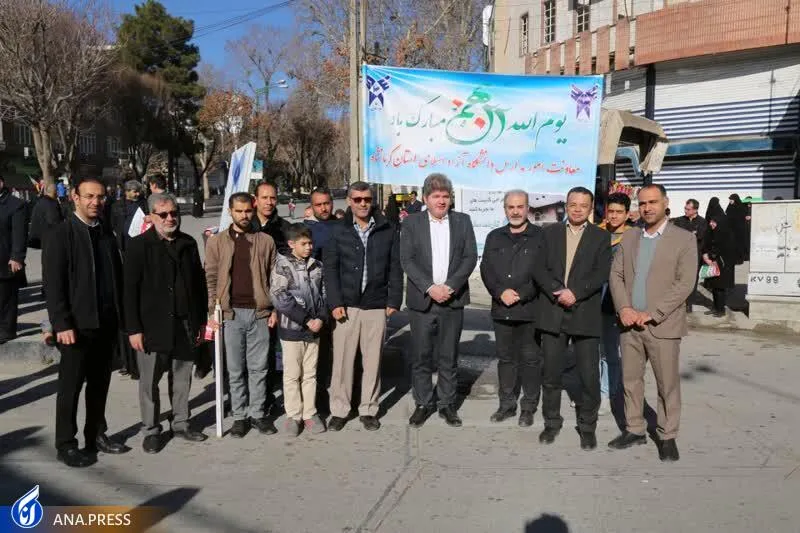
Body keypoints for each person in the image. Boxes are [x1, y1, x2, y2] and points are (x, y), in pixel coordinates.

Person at [608, 184, 696, 462]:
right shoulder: (631, 236)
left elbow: (685, 283)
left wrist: (653, 313)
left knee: (666, 384)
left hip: (662, 325)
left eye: (653, 202)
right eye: (643, 203)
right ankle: (635, 429)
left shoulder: (683, 239)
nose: (647, 208)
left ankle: (667, 435)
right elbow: (616, 275)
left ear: (665, 203)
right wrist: (624, 308)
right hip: (629, 323)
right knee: (631, 380)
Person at [43, 177, 128, 467]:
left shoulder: (106, 234)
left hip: (105, 323)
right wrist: (61, 323)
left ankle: (96, 435)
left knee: (100, 384)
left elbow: (116, 278)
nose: (95, 202)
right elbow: (53, 284)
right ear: (75, 197)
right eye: (89, 196)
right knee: (71, 387)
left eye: (100, 197)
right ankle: (66, 443)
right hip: (75, 326)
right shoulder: (61, 234)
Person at [124, 193, 209, 453]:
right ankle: (151, 429)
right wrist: (134, 329)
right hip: (152, 327)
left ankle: (181, 423)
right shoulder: (138, 246)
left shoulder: (188, 243)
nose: (170, 218)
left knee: (182, 378)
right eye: (163, 214)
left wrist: (201, 322)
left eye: (174, 213)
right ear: (151, 217)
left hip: (185, 324)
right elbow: (129, 291)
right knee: (149, 382)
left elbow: (198, 286)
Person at [534, 186, 611, 450]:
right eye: (573, 204)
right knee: (551, 375)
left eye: (583, 205)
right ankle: (551, 423)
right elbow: (539, 269)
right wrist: (558, 291)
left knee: (589, 376)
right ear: (566, 206)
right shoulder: (549, 233)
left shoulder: (601, 237)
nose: (577, 210)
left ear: (591, 208)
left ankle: (587, 427)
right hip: (553, 310)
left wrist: (575, 292)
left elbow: (602, 272)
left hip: (584, 313)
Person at [400, 173, 478, 428]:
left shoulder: (463, 221)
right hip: (423, 301)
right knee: (421, 356)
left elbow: (469, 257)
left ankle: (447, 404)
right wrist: (430, 287)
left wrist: (451, 286)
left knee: (448, 356)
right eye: (436, 196)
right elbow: (407, 260)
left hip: (452, 300)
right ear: (425, 198)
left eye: (445, 196)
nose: (441, 201)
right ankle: (423, 403)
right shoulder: (411, 223)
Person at [324, 182, 403, 431]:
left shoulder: (387, 229)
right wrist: (335, 302)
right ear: (349, 201)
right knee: (343, 361)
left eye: (366, 199)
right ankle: (340, 410)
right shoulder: (338, 230)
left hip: (376, 304)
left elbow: (395, 267)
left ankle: (368, 409)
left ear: (372, 200)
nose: (362, 204)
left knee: (373, 361)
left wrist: (393, 300)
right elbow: (330, 269)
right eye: (357, 199)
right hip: (346, 307)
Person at [205, 192, 279, 438]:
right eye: (239, 211)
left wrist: (274, 309)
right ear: (230, 211)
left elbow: (274, 277)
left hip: (259, 312)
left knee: (259, 368)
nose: (244, 215)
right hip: (230, 314)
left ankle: (257, 414)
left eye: (248, 210)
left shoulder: (265, 241)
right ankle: (239, 416)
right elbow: (211, 278)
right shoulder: (217, 242)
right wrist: (212, 311)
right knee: (235, 369)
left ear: (253, 209)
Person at [479, 190, 544, 427]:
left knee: (531, 360)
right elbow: (486, 269)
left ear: (528, 208)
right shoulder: (494, 236)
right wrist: (500, 292)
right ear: (505, 209)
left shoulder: (540, 237)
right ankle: (506, 405)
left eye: (520, 206)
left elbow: (544, 271)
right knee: (506, 359)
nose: (515, 212)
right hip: (502, 308)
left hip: (530, 309)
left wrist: (522, 294)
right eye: (511, 207)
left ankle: (528, 407)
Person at [270, 224, 328, 436]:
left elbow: (324, 294)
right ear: (291, 244)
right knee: (292, 375)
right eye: (304, 244)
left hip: (314, 330)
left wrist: (320, 317)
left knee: (310, 374)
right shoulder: (281, 266)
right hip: (292, 330)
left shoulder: (317, 266)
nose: (309, 247)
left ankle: (310, 413)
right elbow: (280, 298)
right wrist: (306, 320)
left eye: (310, 243)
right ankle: (294, 415)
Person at [597, 192, 633, 415]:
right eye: (610, 211)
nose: (614, 216)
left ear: (627, 214)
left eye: (619, 212)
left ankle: (607, 393)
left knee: (610, 351)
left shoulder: (633, 237)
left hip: (617, 301)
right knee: (593, 350)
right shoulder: (597, 233)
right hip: (593, 299)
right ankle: (594, 390)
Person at [0, 175, 28, 344]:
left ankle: (7, 330)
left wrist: (17, 257)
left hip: (5, 259)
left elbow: (20, 234)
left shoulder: (16, 205)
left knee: (6, 297)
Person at [702, 197, 736, 317]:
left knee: (720, 288)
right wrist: (706, 256)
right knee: (714, 287)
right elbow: (707, 245)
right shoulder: (712, 233)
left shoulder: (726, 234)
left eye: (713, 222)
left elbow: (725, 249)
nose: (711, 223)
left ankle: (721, 310)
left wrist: (712, 256)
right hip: (713, 263)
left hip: (723, 265)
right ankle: (715, 307)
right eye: (710, 221)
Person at [673, 199, 707, 313]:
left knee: (692, 280)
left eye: (688, 209)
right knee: (679, 279)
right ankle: (678, 302)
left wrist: (689, 235)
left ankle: (689, 303)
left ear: (695, 210)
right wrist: (692, 234)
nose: (685, 211)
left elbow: (700, 236)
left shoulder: (702, 222)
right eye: (685, 208)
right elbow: (676, 235)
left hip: (695, 256)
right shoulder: (679, 220)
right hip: (680, 255)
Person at [251, 180, 290, 256]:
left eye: (273, 198)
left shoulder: (285, 227)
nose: (269, 202)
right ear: (256, 200)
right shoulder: (245, 225)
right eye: (264, 198)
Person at [110, 180, 148, 253]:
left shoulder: (143, 203)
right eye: (135, 191)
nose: (138, 194)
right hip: (124, 243)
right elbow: (113, 223)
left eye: (139, 191)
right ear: (127, 191)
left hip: (140, 241)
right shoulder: (116, 205)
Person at [28, 183, 64, 250]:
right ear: (55, 192)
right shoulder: (51, 204)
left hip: (36, 241)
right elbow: (54, 222)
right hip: (46, 242)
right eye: (57, 191)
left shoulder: (40, 201)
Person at [305, 186, 336, 261]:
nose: (323, 209)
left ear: (332, 203)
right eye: (318, 205)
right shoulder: (305, 230)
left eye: (326, 203)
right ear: (312, 206)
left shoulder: (344, 225)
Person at [726, 194, 749, 265]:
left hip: (739, 230)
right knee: (732, 245)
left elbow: (742, 218)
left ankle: (740, 259)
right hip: (731, 230)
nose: (730, 201)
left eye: (731, 199)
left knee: (739, 245)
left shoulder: (741, 207)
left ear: (735, 199)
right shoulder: (729, 207)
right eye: (730, 199)